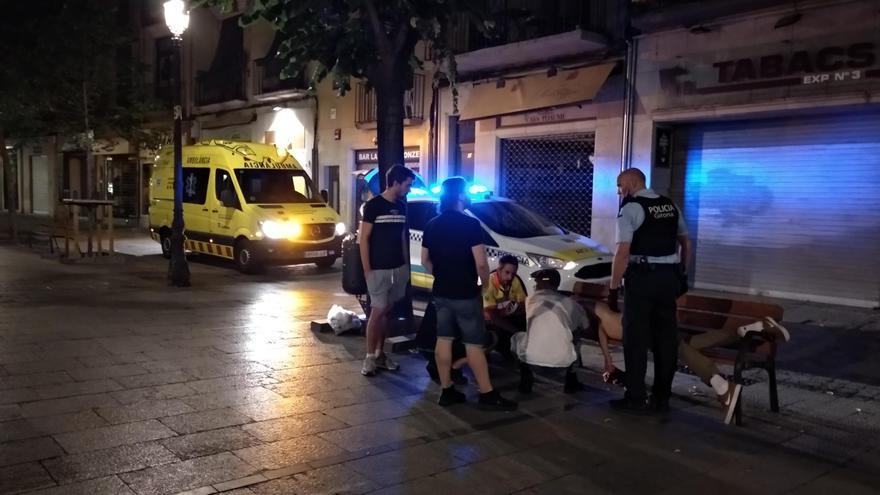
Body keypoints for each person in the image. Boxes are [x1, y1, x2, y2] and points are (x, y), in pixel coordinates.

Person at [587, 298, 789, 424]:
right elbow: (602, 330)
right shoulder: (593, 312)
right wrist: (607, 359)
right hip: (650, 328)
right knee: (689, 345)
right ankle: (754, 327)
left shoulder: (589, 307)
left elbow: (601, 322)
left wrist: (607, 359)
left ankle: (722, 386)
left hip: (647, 329)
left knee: (679, 349)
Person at [422, 177, 517, 410]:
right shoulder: (470, 225)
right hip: (465, 292)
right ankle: (487, 392)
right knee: (474, 344)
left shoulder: (432, 224)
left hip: (442, 292)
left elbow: (425, 260)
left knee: (443, 339)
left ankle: (446, 390)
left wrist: (441, 274)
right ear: (460, 196)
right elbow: (482, 264)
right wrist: (484, 285)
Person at [609, 168, 691, 414]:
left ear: (632, 182)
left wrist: (613, 288)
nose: (619, 191)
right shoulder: (670, 205)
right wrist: (683, 274)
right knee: (666, 340)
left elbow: (622, 252)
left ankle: (635, 396)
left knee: (635, 339)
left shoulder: (631, 208)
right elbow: (686, 242)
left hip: (642, 279)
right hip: (668, 279)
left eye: (620, 185)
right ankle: (662, 397)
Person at [359, 165, 415, 376]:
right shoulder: (373, 206)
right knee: (378, 310)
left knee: (387, 312)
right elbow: (363, 239)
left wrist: (405, 266)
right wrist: (367, 270)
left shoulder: (402, 206)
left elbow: (402, 237)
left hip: (397, 268)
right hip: (378, 268)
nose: (409, 189)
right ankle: (369, 357)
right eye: (408, 185)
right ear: (396, 182)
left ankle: (380, 353)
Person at [513, 269, 589, 394]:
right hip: (563, 361)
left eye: (537, 283)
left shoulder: (530, 299)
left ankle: (525, 379)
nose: (535, 286)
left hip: (532, 360)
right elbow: (585, 325)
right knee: (576, 338)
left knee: (516, 337)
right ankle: (571, 381)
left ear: (544, 284)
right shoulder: (571, 303)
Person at [483, 254, 527, 357]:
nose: (510, 277)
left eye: (513, 273)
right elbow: (492, 316)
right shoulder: (489, 284)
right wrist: (516, 332)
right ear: (498, 269)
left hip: (507, 317)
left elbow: (524, 303)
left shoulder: (514, 280)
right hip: (489, 322)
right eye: (507, 272)